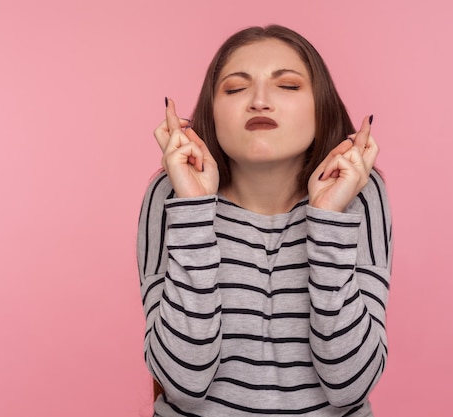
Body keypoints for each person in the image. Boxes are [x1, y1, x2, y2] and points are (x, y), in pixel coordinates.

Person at [137, 24, 393, 417]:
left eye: (287, 86)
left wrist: (327, 219)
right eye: (236, 88)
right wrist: (194, 208)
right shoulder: (172, 194)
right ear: (211, 112)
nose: (259, 101)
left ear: (320, 105)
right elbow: (185, 384)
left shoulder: (359, 193)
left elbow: (349, 385)